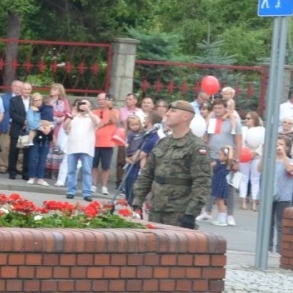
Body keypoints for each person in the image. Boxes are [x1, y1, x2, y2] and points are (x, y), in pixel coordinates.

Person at [131, 100, 208, 228]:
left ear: (186, 117)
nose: (167, 114)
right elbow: (147, 174)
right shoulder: (162, 143)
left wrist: (191, 214)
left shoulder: (197, 147)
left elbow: (202, 183)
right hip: (156, 209)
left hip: (179, 212)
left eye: (173, 111)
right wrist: (137, 202)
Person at [200, 99, 237, 226]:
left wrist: (236, 159)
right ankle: (207, 211)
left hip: (227, 158)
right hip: (213, 155)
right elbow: (206, 137)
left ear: (225, 108)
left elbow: (238, 140)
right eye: (215, 108)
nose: (217, 110)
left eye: (220, 108)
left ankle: (230, 215)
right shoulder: (212, 121)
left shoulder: (232, 121)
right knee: (211, 184)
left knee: (229, 187)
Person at [62, 98, 98, 201]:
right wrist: (72, 115)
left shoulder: (91, 117)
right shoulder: (73, 116)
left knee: (87, 171)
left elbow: (97, 122)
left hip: (87, 148)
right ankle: (70, 191)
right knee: (71, 170)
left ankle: (87, 193)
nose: (83, 106)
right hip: (73, 147)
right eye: (81, 104)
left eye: (86, 104)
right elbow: (65, 127)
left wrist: (88, 111)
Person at [270, 139, 293, 251]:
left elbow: (289, 169)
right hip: (270, 195)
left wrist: (283, 155)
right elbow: (259, 169)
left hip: (284, 196)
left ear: (286, 148)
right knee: (268, 224)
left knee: (281, 224)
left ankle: (280, 249)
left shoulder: (292, 161)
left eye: (281, 144)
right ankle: (268, 247)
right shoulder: (270, 160)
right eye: (276, 144)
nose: (278, 146)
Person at [92, 94, 120, 195]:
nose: (100, 101)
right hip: (94, 142)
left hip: (107, 143)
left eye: (103, 99)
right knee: (93, 165)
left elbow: (114, 120)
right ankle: (94, 185)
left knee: (106, 166)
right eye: (99, 99)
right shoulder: (94, 112)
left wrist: (109, 108)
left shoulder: (114, 111)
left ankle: (104, 186)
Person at [25, 88, 54, 185]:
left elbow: (52, 121)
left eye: (39, 100)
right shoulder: (31, 110)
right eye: (35, 100)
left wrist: (49, 127)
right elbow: (31, 123)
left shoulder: (45, 109)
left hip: (45, 136)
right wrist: (41, 127)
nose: (38, 102)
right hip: (35, 136)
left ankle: (41, 178)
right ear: (32, 101)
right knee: (33, 157)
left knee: (43, 158)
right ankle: (32, 176)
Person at [237, 111, 266, 211]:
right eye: (246, 118)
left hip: (256, 156)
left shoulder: (262, 130)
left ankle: (254, 201)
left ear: (254, 119)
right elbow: (240, 142)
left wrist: (255, 153)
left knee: (255, 179)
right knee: (244, 177)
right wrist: (245, 153)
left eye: (249, 118)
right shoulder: (243, 129)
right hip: (244, 155)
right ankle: (243, 200)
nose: (246, 120)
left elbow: (263, 143)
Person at [5, 80, 28, 181]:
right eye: (25, 89)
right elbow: (13, 114)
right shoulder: (14, 100)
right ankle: (12, 171)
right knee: (14, 151)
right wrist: (24, 121)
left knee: (27, 151)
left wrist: (29, 123)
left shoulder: (32, 100)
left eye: (28, 89)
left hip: (28, 130)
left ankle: (25, 173)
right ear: (21, 90)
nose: (26, 91)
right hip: (17, 128)